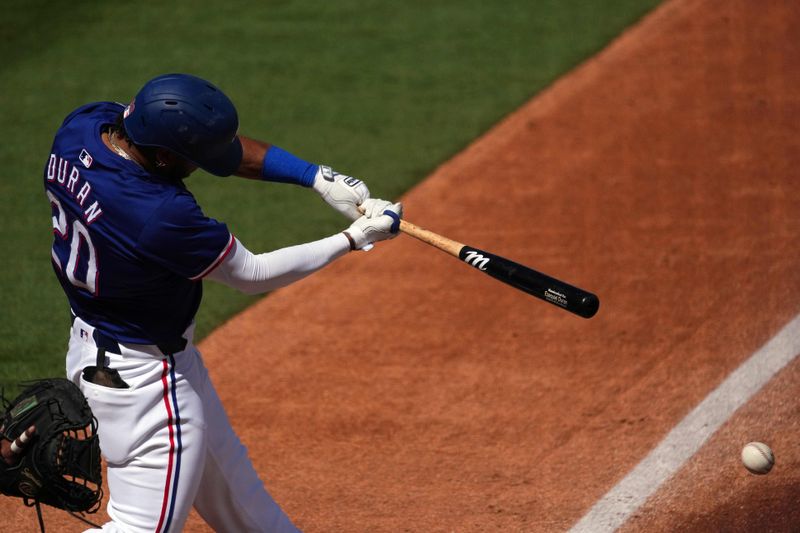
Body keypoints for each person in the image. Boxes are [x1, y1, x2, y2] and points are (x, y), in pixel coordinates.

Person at [43, 73, 402, 532]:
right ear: (164, 156)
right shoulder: (159, 215)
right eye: (193, 160)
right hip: (147, 382)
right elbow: (252, 274)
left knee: (244, 503)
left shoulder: (84, 127)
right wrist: (353, 238)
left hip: (106, 349)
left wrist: (314, 176)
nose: (206, 166)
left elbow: (215, 146)